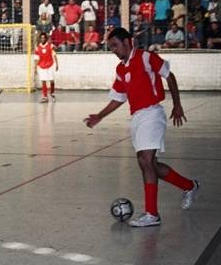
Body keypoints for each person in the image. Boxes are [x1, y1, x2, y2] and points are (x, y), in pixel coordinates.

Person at [84, 27, 199, 228]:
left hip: (153, 114)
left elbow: (169, 76)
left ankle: (152, 214)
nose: (113, 50)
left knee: (146, 160)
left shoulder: (146, 57)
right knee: (149, 164)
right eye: (110, 46)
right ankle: (189, 186)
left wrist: (177, 105)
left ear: (128, 42)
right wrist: (99, 116)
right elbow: (118, 98)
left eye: (115, 45)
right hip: (137, 117)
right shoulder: (121, 69)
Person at [34, 32, 58, 102]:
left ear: (46, 38)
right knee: (43, 81)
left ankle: (52, 93)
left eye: (44, 38)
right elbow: (36, 59)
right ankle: (45, 97)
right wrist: (35, 68)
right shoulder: (38, 48)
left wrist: (57, 64)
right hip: (41, 66)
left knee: (51, 80)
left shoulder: (50, 46)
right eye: (41, 38)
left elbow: (54, 55)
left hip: (50, 65)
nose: (42, 39)